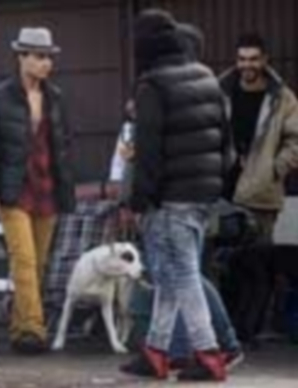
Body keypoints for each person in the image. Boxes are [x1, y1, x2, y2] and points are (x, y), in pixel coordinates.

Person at [124, 23, 244, 372]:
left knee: (183, 276)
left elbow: (148, 152)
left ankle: (209, 354)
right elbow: (227, 142)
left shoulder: (152, 86)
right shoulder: (208, 77)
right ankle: (156, 352)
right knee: (170, 277)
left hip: (168, 198)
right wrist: (214, 184)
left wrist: (138, 201)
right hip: (202, 196)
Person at [0, 27, 76, 354]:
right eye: (40, 57)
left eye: (49, 57)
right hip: (13, 190)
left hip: (48, 188)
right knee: (25, 260)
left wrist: (66, 186)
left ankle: (19, 330)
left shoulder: (55, 97)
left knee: (40, 262)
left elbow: (65, 144)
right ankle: (33, 329)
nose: (47, 63)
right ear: (21, 57)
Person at [220, 33, 298, 243]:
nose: (247, 65)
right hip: (223, 191)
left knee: (258, 264)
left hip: (261, 193)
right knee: (222, 263)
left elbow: (295, 140)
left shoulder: (282, 97)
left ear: (264, 60)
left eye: (253, 59)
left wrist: (274, 168)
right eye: (242, 59)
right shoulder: (221, 92)